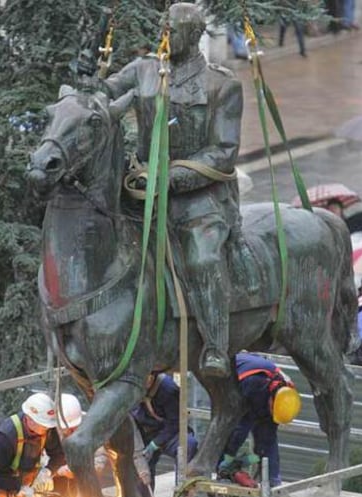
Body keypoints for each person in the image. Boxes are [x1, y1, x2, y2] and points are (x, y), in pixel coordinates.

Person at [103, 2, 257, 379]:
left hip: (199, 197)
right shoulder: (141, 71)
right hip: (140, 191)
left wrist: (174, 177)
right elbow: (101, 97)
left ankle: (216, 345)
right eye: (164, 27)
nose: (166, 35)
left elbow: (223, 153)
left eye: (175, 29)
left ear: (195, 33)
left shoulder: (221, 84)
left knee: (203, 259)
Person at [217, 353, 301, 487]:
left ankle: (273, 480)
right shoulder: (254, 385)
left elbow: (268, 438)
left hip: (265, 389)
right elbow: (240, 426)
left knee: (268, 438)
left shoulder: (287, 394)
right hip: (235, 376)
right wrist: (226, 462)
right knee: (236, 432)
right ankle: (222, 469)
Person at [131, 369, 198, 497]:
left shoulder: (168, 389)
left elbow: (176, 422)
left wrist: (156, 443)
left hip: (170, 432)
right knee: (141, 462)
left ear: (151, 377)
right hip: (146, 433)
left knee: (188, 445)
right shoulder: (133, 385)